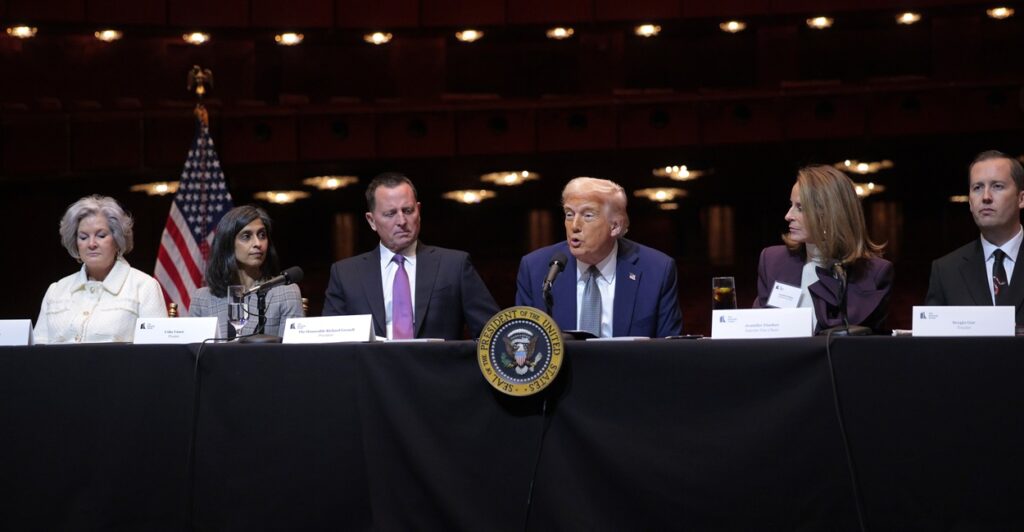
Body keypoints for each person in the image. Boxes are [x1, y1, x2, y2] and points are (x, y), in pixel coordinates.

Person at [323, 172, 499, 340]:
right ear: (371, 221)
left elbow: (494, 333)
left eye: (408, 210)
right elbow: (331, 345)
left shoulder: (454, 266)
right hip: (372, 370)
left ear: (419, 211)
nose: (401, 221)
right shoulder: (346, 275)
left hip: (436, 370)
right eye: (390, 214)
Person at [516, 177, 683, 338]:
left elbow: (669, 352)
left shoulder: (657, 270)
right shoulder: (535, 268)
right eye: (569, 214)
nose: (574, 226)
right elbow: (523, 344)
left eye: (588, 215)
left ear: (615, 226)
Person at [753, 165, 893, 333]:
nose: (788, 216)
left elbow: (865, 346)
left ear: (829, 215)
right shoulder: (772, 261)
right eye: (791, 205)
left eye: (800, 208)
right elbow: (758, 331)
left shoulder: (875, 273)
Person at [34, 195, 167, 343]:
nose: (91, 244)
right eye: (83, 237)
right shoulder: (56, 290)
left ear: (117, 240)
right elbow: (36, 350)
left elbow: (157, 354)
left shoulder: (144, 287)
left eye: (101, 236)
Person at [925, 150, 1024, 323]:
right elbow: (933, 346)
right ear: (970, 202)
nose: (986, 197)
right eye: (977, 188)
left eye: (997, 186)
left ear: (1021, 199)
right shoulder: (946, 270)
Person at [188, 205, 303, 337]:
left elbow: (292, 354)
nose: (258, 243)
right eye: (246, 236)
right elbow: (193, 354)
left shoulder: (285, 294)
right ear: (228, 244)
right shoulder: (202, 299)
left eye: (262, 235)